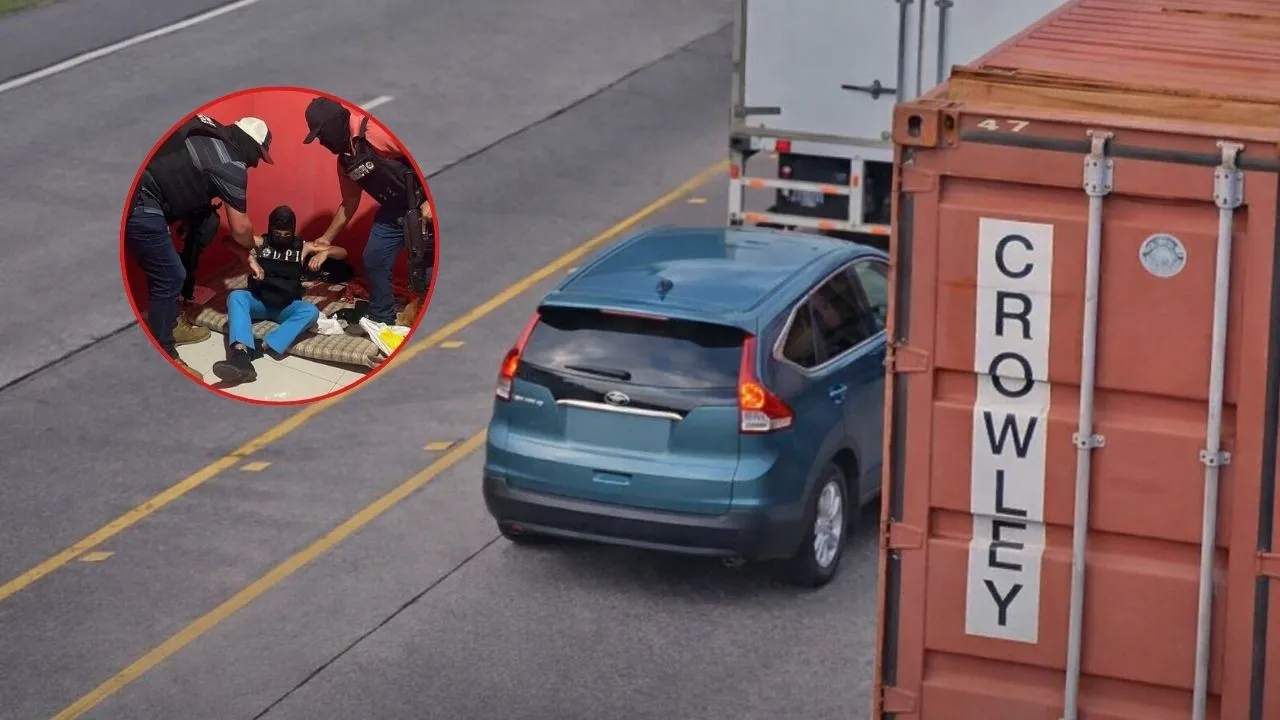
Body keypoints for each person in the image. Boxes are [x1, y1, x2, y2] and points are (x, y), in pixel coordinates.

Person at [126, 114, 273, 377]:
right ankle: (166, 354)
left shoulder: (209, 128)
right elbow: (241, 229)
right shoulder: (231, 162)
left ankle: (171, 322)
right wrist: (250, 248)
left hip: (141, 187)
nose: (256, 164)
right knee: (171, 276)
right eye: (258, 155)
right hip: (141, 200)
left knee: (201, 230)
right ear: (250, 144)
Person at [301, 96, 434, 328]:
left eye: (322, 134)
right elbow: (349, 202)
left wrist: (430, 201)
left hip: (425, 207)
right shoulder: (345, 161)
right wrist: (326, 238)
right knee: (374, 257)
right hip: (394, 211)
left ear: (336, 124)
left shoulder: (375, 131)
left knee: (428, 270)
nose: (322, 142)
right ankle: (382, 316)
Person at [211, 206, 346, 383]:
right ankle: (240, 352)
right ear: (270, 230)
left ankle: (261, 347)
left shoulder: (303, 247)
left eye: (286, 235)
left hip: (286, 306)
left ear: (292, 231)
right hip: (259, 301)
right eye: (277, 234)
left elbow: (343, 253)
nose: (281, 238)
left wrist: (325, 253)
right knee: (236, 296)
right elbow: (227, 240)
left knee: (310, 312)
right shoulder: (260, 243)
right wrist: (248, 257)